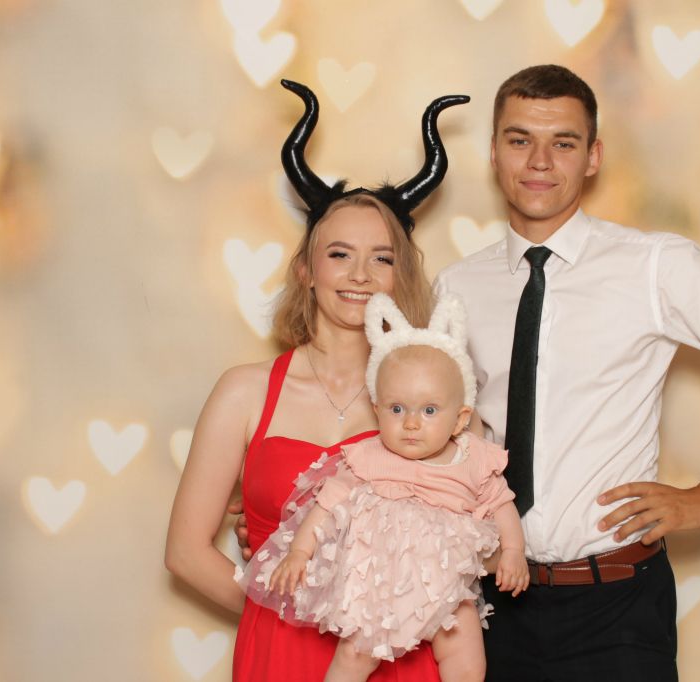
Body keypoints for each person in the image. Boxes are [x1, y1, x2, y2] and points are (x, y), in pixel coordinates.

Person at [431, 64, 700, 680]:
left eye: (563, 143)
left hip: (618, 607)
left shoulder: (654, 266)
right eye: (519, 140)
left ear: (593, 157)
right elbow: (441, 433)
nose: (539, 161)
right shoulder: (457, 286)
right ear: (493, 152)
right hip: (493, 603)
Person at [164, 79, 468, 681]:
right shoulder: (244, 392)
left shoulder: (441, 395)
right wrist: (285, 612)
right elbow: (185, 553)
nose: (360, 275)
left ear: (401, 275)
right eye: (339, 255)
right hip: (282, 654)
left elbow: (472, 535)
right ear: (306, 269)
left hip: (397, 657)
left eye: (382, 258)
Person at [237, 293, 529, 682]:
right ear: (377, 411)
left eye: (429, 411)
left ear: (460, 419)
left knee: (468, 660)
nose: (411, 423)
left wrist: (514, 552)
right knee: (354, 656)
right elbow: (327, 504)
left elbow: (502, 505)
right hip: (378, 592)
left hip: (446, 591)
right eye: (397, 409)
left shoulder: (472, 457)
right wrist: (299, 552)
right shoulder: (370, 455)